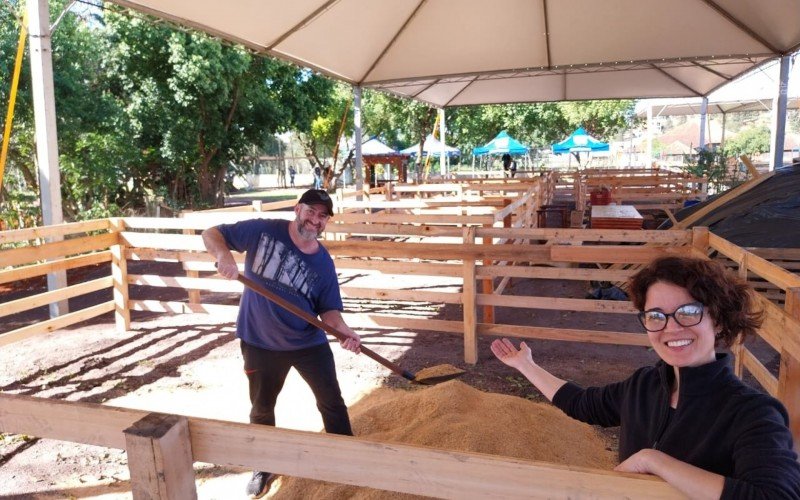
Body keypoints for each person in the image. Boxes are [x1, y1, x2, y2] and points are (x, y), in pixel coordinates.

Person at [491, 255, 800, 499]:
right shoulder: (644, 386)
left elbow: (776, 494)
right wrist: (526, 365)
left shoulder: (752, 413)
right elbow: (583, 404)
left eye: (688, 312)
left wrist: (654, 461)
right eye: (656, 316)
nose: (671, 327)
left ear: (717, 320)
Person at [202, 189, 361, 499]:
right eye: (311, 212)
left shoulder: (323, 263)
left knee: (331, 401)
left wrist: (344, 331)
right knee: (261, 408)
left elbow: (328, 310)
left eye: (322, 216)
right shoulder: (263, 231)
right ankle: (263, 465)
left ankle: (348, 456)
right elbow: (211, 234)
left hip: (307, 342)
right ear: (297, 209)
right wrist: (223, 256)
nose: (315, 220)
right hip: (259, 340)